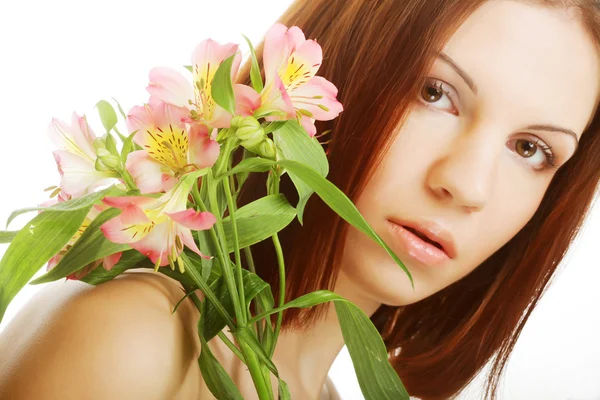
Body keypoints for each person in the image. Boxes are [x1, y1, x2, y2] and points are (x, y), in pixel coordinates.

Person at [1, 0, 599, 399]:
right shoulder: (131, 338)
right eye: (434, 92)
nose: (468, 186)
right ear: (333, 65)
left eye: (530, 149)